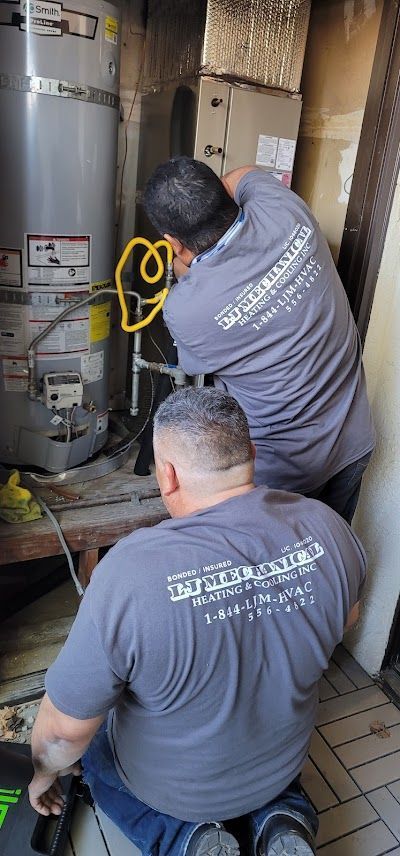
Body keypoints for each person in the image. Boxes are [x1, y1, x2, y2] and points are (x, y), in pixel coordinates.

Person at [29, 388, 366, 856]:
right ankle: (282, 817)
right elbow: (347, 619)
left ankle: (188, 839)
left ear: (166, 475)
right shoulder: (328, 525)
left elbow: (63, 732)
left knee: (95, 755)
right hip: (278, 764)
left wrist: (43, 773)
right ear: (251, 454)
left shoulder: (132, 573)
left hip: (175, 792)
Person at [143, 157, 375, 523]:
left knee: (278, 571)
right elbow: (244, 174)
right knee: (331, 552)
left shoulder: (187, 310)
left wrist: (183, 265)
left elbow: (195, 366)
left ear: (173, 241)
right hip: (353, 439)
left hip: (284, 472)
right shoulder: (284, 208)